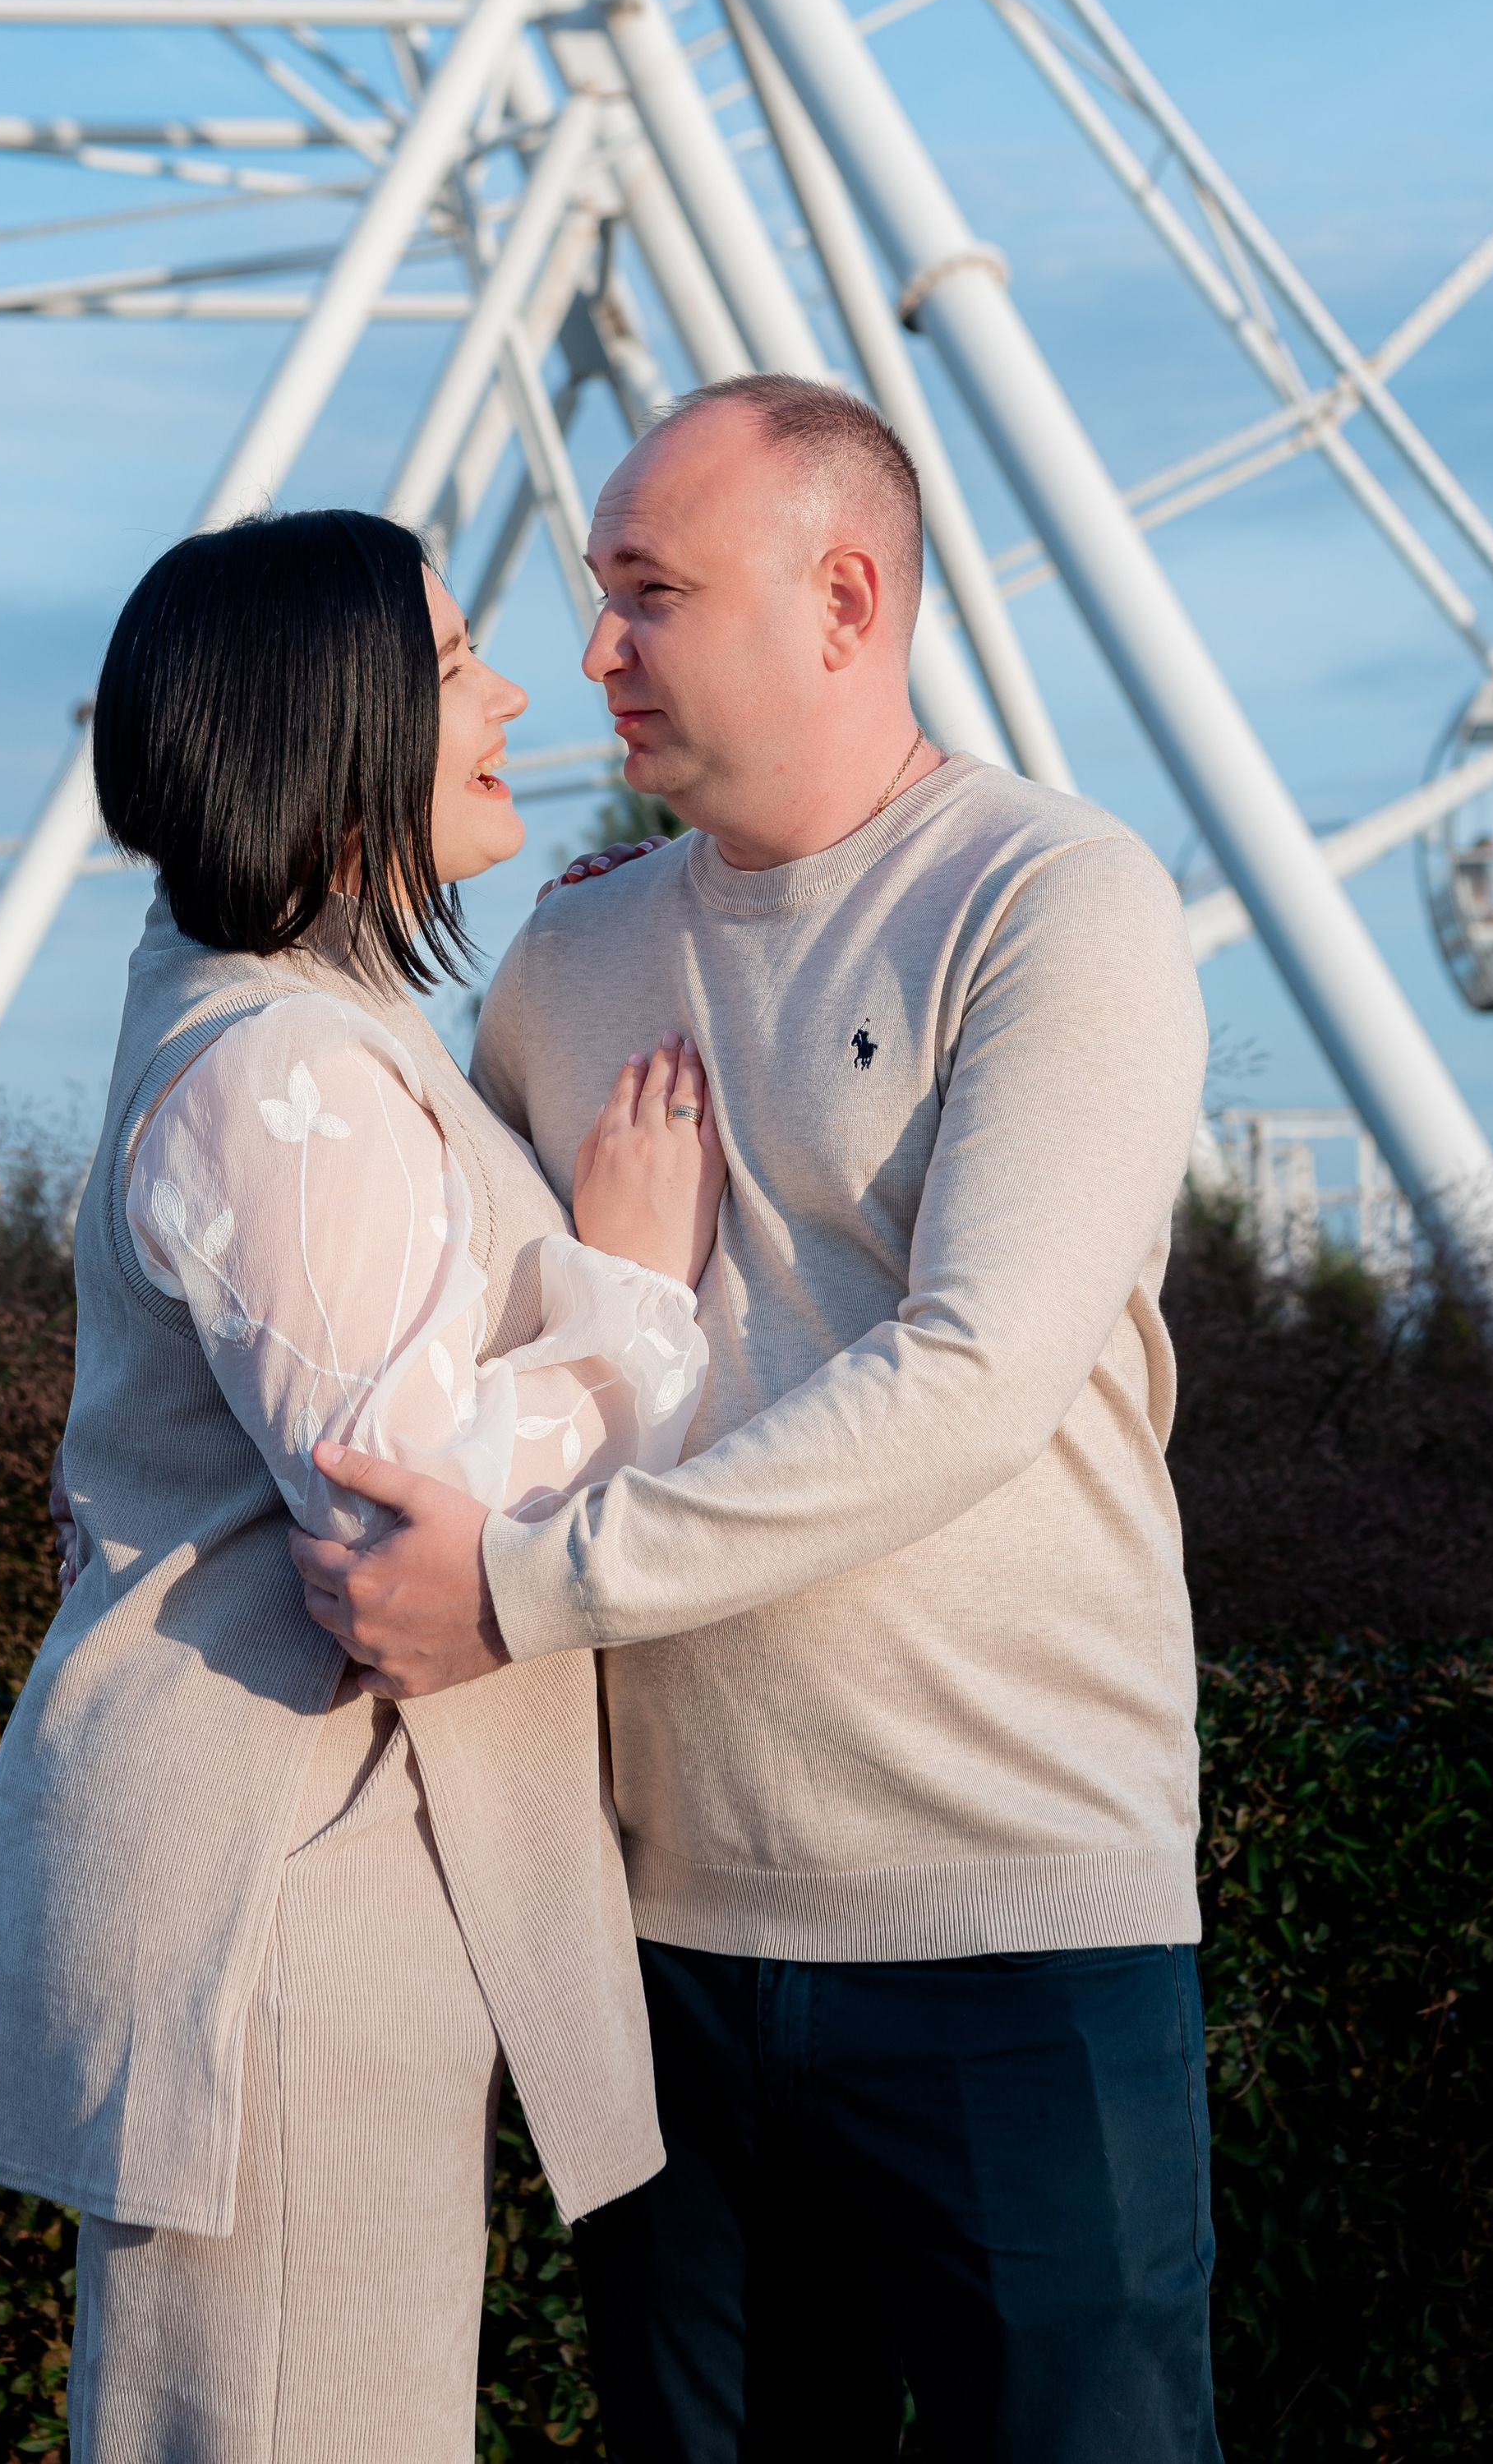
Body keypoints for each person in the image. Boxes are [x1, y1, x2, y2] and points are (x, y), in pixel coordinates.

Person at [294, 381, 1221, 2464]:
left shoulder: (1052, 901)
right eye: (596, 591)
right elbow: (439, 1352)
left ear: (842, 598)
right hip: (654, 1952)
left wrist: (524, 1589)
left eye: (650, 592)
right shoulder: (564, 961)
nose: (591, 649)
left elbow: (974, 1375)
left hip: (1011, 1934)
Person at [0, 508, 726, 2464]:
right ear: (327, 722)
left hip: (304, 1867)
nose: (512, 693)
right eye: (455, 660)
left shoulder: (290, 1023)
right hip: (291, 1892)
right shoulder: (280, 1073)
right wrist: (631, 1292)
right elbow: (405, 1515)